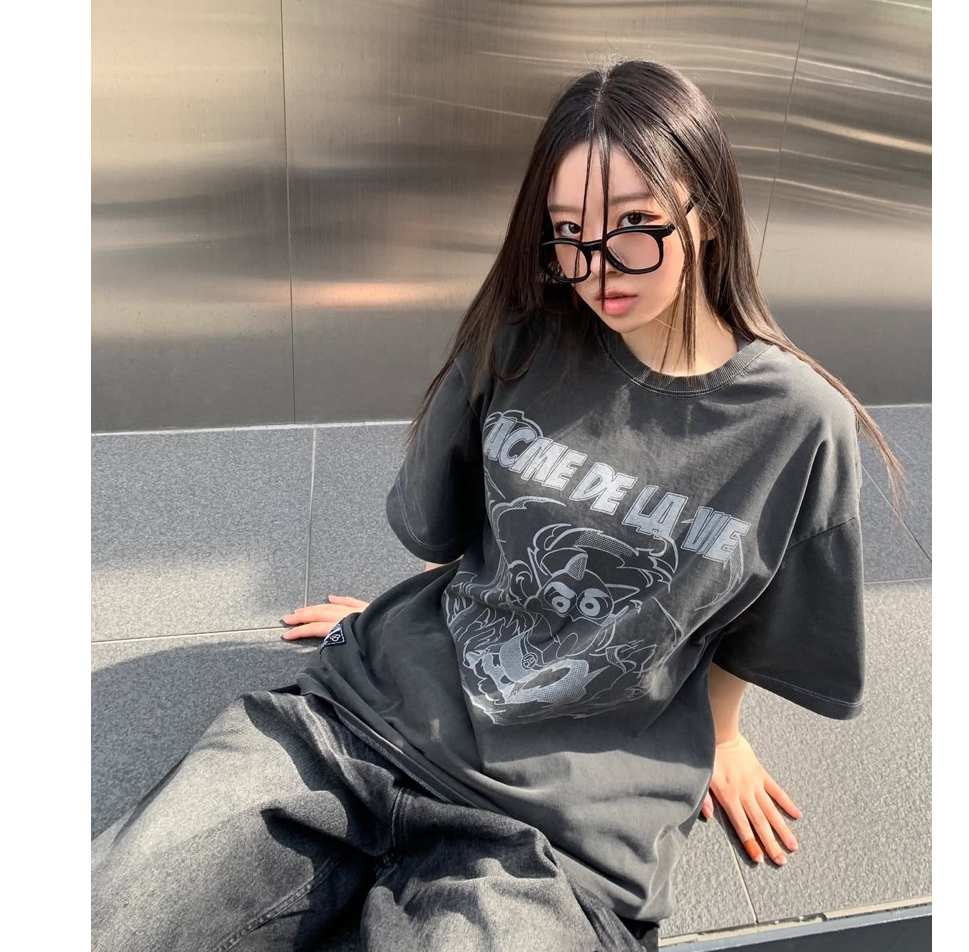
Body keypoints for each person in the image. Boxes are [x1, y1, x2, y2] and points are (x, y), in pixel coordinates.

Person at [92, 59, 900, 952]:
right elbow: (450, 531)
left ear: (705, 211)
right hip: (360, 724)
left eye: (636, 225)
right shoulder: (519, 339)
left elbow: (760, 626)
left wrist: (722, 735)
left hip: (550, 833)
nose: (597, 268)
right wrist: (414, 622)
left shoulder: (796, 424)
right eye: (569, 233)